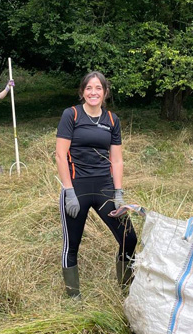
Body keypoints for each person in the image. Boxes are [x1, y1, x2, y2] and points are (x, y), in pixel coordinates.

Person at [55, 71, 138, 298]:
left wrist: (118, 193)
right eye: (89, 88)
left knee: (129, 237)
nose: (93, 92)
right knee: (72, 244)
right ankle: (73, 296)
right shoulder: (71, 115)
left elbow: (117, 159)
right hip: (77, 188)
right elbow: (61, 156)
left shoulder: (112, 120)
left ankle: (126, 288)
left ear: (105, 92)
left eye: (98, 88)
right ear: (82, 92)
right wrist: (69, 191)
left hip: (104, 188)